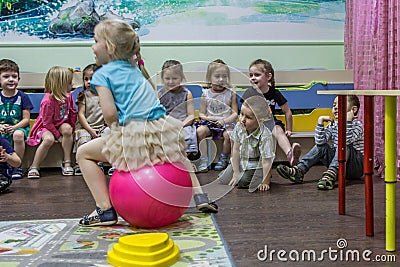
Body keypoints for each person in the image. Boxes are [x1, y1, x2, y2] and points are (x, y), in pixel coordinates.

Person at [77, 19, 217, 227]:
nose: (92, 46)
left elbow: (110, 115)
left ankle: (104, 208)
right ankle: (199, 196)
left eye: (96, 41)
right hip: (162, 130)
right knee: (178, 155)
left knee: (83, 154)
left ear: (110, 47)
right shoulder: (135, 70)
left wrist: (113, 134)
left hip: (134, 136)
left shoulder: (102, 76)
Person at [276, 95, 364, 190]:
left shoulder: (357, 125)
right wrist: (320, 122)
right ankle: (300, 171)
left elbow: (346, 140)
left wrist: (348, 121)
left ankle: (331, 173)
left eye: (340, 104)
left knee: (343, 145)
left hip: (355, 167)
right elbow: (320, 141)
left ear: (353, 109)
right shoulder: (333, 125)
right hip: (340, 165)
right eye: (334, 105)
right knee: (321, 146)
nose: (335, 108)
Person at [241, 59, 301, 166]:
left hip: (270, 122)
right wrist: (243, 125)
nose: (253, 78)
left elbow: (287, 111)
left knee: (278, 130)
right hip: (254, 124)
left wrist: (289, 129)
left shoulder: (274, 92)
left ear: (268, 77)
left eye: (257, 75)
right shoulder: (249, 93)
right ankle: (253, 162)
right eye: (251, 75)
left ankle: (290, 154)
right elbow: (242, 112)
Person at [27, 66, 77, 179]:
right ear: (60, 85)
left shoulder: (68, 96)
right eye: (69, 83)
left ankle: (67, 162)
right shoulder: (47, 101)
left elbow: (73, 112)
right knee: (49, 139)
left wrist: (72, 128)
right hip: (45, 126)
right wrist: (58, 135)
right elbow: (47, 123)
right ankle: (34, 166)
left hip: (60, 123)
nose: (72, 85)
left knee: (68, 129)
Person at [217, 96, 275, 192]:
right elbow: (235, 150)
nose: (242, 119)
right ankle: (241, 175)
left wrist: (265, 181)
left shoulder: (265, 135)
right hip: (242, 162)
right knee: (222, 179)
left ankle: (261, 176)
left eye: (248, 117)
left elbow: (267, 161)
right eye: (241, 114)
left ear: (260, 121)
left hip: (256, 165)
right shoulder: (239, 127)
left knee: (242, 182)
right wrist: (235, 172)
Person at [196, 59, 238, 172]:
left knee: (229, 135)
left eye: (224, 76)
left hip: (226, 123)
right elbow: (201, 113)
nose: (221, 80)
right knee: (200, 131)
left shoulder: (230, 93)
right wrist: (208, 118)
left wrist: (224, 121)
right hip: (211, 123)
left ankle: (224, 157)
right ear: (210, 78)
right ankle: (204, 159)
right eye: (217, 76)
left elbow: (235, 113)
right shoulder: (206, 94)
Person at [73, 63, 112, 176]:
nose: (89, 82)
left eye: (92, 78)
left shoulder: (106, 95)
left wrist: (106, 125)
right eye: (86, 79)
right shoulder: (84, 96)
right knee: (84, 139)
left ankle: (105, 162)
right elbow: (81, 115)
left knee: (109, 134)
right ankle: (82, 164)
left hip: (102, 127)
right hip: (86, 127)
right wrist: (90, 130)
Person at [158, 59, 199, 160]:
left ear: (181, 78)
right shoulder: (159, 94)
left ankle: (186, 159)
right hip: (165, 123)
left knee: (187, 135)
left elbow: (191, 115)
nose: (171, 82)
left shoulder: (187, 93)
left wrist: (180, 125)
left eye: (174, 78)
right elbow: (157, 113)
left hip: (183, 123)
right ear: (162, 78)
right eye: (167, 78)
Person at [0, 59, 33, 179]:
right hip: (2, 128)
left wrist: (13, 127)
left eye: (14, 76)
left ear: (19, 79)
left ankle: (16, 166)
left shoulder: (22, 97)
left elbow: (26, 119)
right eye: (6, 76)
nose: (10, 79)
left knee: (18, 135)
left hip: (19, 127)